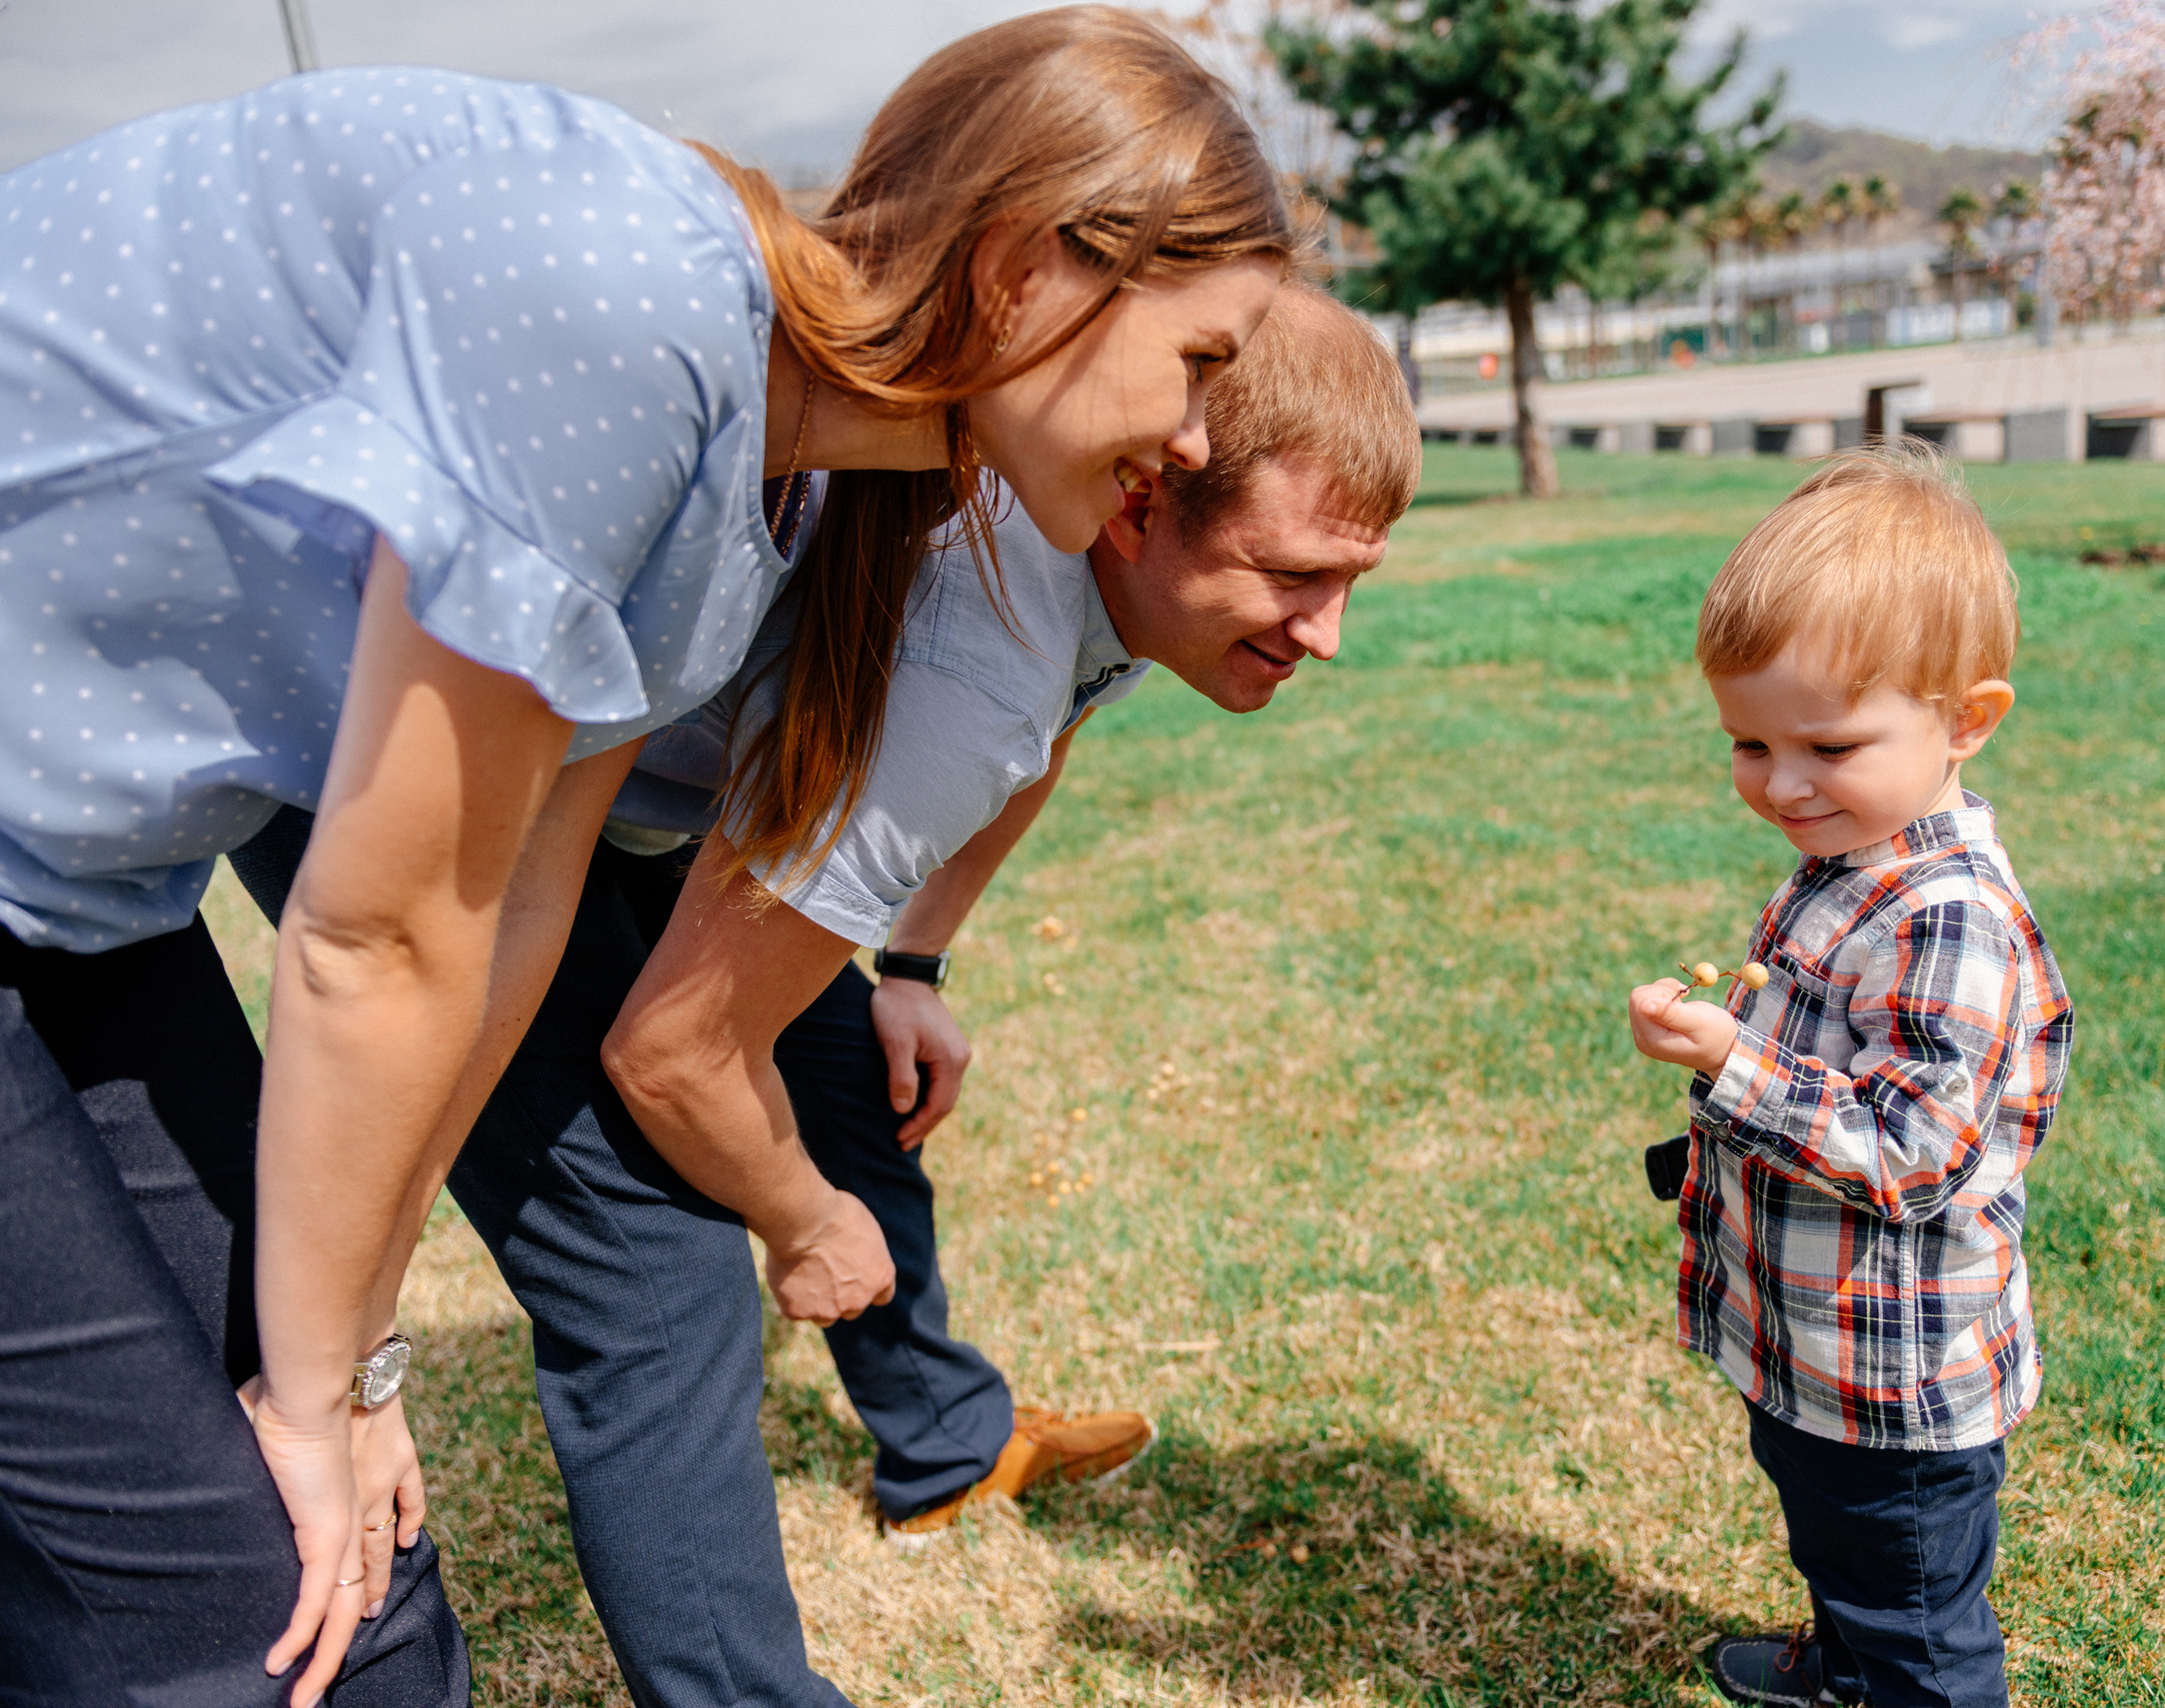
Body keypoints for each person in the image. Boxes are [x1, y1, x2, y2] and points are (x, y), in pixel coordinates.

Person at [0, 11, 1289, 1702]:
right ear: (1040, 265)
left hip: (77, 902)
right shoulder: (637, 305)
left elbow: (518, 914)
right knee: (238, 1627)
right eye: (1201, 358)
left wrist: (358, 1353)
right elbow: (382, 936)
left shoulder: (752, 476)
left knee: (346, 1620)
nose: (1199, 438)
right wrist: (315, 1389)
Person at [325, 282, 1412, 1703]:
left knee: (845, 1067)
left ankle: (946, 1446)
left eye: (1351, 581)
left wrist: (912, 963)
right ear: (1144, 503)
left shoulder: (1105, 555)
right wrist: (801, 1217)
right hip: (429, 770)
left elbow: (1050, 743)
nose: (1325, 634)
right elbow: (672, 1052)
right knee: (653, 1266)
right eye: (1292, 577)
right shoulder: (975, 664)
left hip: (646, 810)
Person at [1623, 445, 2073, 1708]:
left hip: (1897, 1377)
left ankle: (1895, 1677)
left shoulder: (1949, 919)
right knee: (1834, 1537)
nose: (1781, 782)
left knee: (1917, 1609)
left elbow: (1911, 1149)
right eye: (1749, 742)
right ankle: (1849, 1660)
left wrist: (1735, 1061)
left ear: (1966, 720)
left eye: (1826, 741)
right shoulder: (1854, 858)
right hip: (1817, 1349)